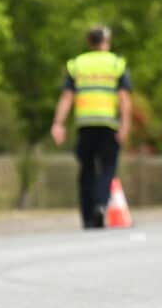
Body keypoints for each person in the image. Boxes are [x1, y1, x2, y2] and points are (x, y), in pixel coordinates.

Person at [50, 26, 133, 229]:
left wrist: (58, 123)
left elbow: (67, 97)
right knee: (108, 167)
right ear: (107, 41)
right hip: (109, 124)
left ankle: (88, 216)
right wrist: (125, 125)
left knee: (86, 169)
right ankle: (101, 205)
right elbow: (124, 98)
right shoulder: (116, 64)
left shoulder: (78, 64)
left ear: (89, 42)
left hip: (85, 125)